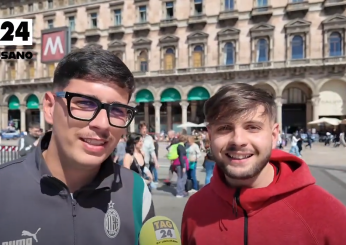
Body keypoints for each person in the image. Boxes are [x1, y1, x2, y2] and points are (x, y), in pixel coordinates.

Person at [0, 47, 155, 245]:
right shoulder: (3, 188)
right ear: (49, 107)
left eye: (117, 110)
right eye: (85, 104)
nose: (102, 124)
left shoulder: (136, 191)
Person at [182, 83, 346, 245]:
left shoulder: (327, 214)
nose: (238, 141)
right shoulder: (195, 208)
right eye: (225, 128)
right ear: (210, 137)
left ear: (274, 135)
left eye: (252, 127)